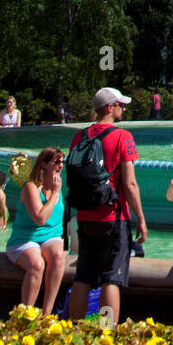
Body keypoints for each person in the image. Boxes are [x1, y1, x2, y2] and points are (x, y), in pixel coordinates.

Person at [67, 87, 148, 324]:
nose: (123, 109)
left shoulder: (79, 136)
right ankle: (105, 334)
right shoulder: (123, 137)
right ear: (110, 108)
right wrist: (141, 218)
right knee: (112, 279)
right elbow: (130, 184)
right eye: (121, 105)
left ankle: (75, 332)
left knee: (83, 276)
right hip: (113, 217)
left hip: (84, 215)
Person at [5, 147, 66, 310]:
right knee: (37, 264)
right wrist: (54, 194)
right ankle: (26, 315)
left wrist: (55, 192)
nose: (60, 166)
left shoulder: (56, 186)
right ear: (44, 164)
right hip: (25, 239)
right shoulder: (31, 187)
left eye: (62, 162)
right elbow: (40, 218)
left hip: (51, 237)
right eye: (56, 162)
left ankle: (47, 314)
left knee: (58, 256)